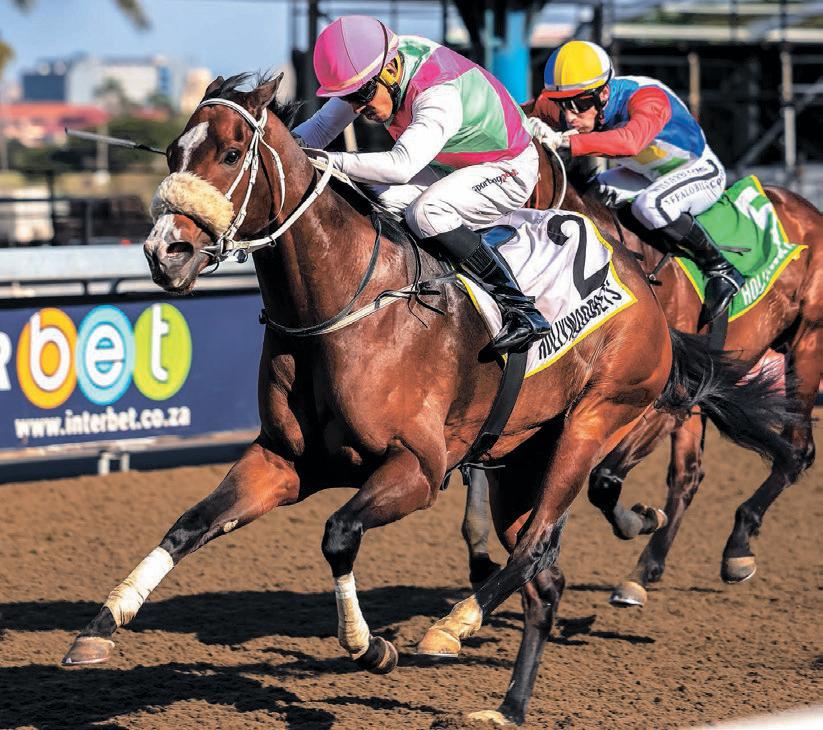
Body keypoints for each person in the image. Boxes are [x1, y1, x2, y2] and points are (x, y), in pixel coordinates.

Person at [292, 15, 549, 353]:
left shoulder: (436, 93)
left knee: (427, 213)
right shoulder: (374, 70)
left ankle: (521, 308)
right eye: (350, 98)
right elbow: (321, 128)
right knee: (370, 195)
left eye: (363, 95)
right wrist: (278, 152)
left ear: (391, 71)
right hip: (450, 164)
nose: (359, 107)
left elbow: (401, 166)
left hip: (508, 167)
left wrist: (326, 162)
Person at [528, 40, 744, 326]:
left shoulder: (647, 97)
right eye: (561, 105)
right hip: (643, 173)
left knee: (652, 206)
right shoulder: (573, 104)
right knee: (588, 198)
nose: (569, 116)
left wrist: (565, 140)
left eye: (579, 104)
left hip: (698, 171)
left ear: (603, 93)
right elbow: (515, 113)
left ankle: (720, 267)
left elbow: (630, 142)